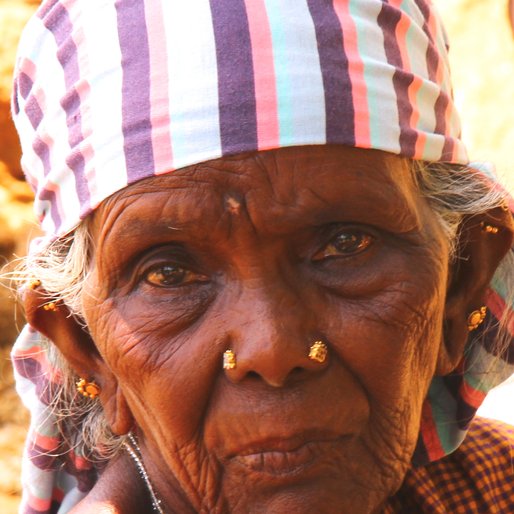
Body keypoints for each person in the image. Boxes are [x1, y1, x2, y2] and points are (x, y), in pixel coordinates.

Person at [9, 1, 514, 513]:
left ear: (461, 281)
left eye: (345, 245)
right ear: (85, 348)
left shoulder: (495, 488)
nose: (273, 352)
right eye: (169, 274)